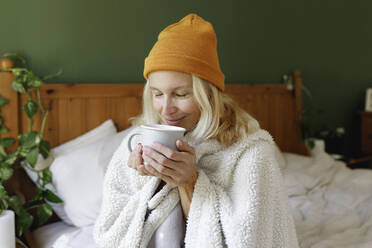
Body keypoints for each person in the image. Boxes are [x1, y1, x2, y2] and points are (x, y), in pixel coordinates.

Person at [93, 13, 299, 248]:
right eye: (158, 94)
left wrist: (189, 182)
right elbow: (110, 231)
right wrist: (144, 181)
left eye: (181, 94)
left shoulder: (250, 151)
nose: (167, 109)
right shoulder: (136, 140)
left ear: (209, 94)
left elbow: (245, 239)